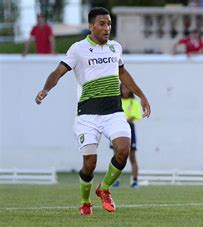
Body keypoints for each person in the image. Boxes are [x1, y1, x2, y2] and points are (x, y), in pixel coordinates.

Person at [34, 7, 151, 216]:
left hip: (114, 111)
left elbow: (123, 73)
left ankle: (104, 189)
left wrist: (142, 95)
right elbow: (58, 72)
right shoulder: (78, 49)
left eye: (109, 24)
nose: (107, 28)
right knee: (90, 163)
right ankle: (85, 201)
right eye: (102, 24)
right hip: (87, 115)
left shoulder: (115, 48)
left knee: (123, 149)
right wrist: (45, 89)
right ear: (91, 26)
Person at [111, 83, 143, 189]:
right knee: (117, 156)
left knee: (132, 156)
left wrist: (123, 119)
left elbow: (134, 117)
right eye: (123, 88)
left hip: (129, 129)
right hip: (117, 130)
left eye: (127, 88)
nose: (125, 90)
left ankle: (134, 181)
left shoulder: (133, 102)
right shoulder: (116, 101)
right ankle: (115, 179)